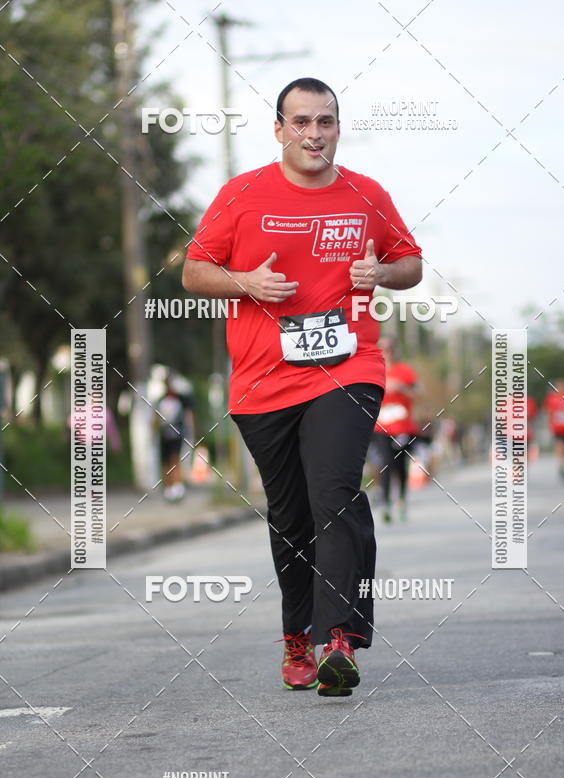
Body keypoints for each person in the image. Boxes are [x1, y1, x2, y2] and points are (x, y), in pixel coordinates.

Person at [182, 77, 422, 696]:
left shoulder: (367, 195)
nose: (314, 134)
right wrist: (246, 285)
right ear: (280, 129)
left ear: (338, 127)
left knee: (335, 493)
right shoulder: (241, 195)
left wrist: (383, 271)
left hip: (348, 368)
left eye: (326, 122)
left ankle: (339, 636)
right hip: (262, 381)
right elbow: (193, 271)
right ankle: (298, 636)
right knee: (290, 516)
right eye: (302, 122)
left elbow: (412, 264)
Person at [371, 337, 419, 522]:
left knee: (400, 466)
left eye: (390, 348)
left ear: (395, 350)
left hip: (402, 426)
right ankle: (385, 502)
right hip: (380, 426)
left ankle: (401, 500)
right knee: (385, 463)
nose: (387, 351)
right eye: (382, 348)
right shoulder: (375, 369)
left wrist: (399, 387)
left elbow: (417, 393)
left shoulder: (405, 371)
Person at [156, 374, 194, 501]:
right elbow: (155, 417)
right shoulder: (160, 399)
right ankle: (167, 488)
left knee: (175, 459)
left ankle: (177, 487)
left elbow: (188, 416)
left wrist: (191, 431)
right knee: (166, 462)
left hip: (177, 433)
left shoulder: (182, 399)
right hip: (164, 435)